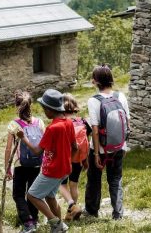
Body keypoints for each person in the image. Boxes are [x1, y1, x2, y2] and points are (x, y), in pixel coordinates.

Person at [16, 89, 77, 233]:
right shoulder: (68, 123)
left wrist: (23, 138)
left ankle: (56, 223)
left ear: (50, 109)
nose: (44, 112)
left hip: (52, 170)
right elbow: (75, 146)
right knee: (50, 197)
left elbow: (37, 151)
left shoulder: (52, 128)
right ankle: (59, 227)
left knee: (32, 195)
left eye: (44, 109)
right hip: (65, 169)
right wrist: (67, 160)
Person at [84, 64, 130, 220]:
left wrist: (96, 153)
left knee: (94, 179)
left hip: (101, 148)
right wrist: (124, 145)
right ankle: (118, 213)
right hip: (118, 146)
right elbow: (127, 123)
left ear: (95, 82)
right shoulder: (120, 96)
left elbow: (95, 130)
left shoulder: (93, 101)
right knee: (115, 179)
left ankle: (92, 211)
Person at [5, 90, 45, 233]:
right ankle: (34, 218)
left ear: (17, 106)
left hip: (20, 165)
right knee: (32, 192)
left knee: (18, 194)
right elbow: (44, 144)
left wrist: (7, 168)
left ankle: (27, 221)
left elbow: (8, 149)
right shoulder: (39, 122)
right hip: (36, 163)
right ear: (31, 106)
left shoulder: (14, 124)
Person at [59, 93, 91, 221]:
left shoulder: (62, 123)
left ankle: (72, 206)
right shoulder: (82, 121)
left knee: (60, 185)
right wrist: (85, 160)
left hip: (65, 160)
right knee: (74, 185)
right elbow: (86, 143)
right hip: (78, 160)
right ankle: (70, 213)